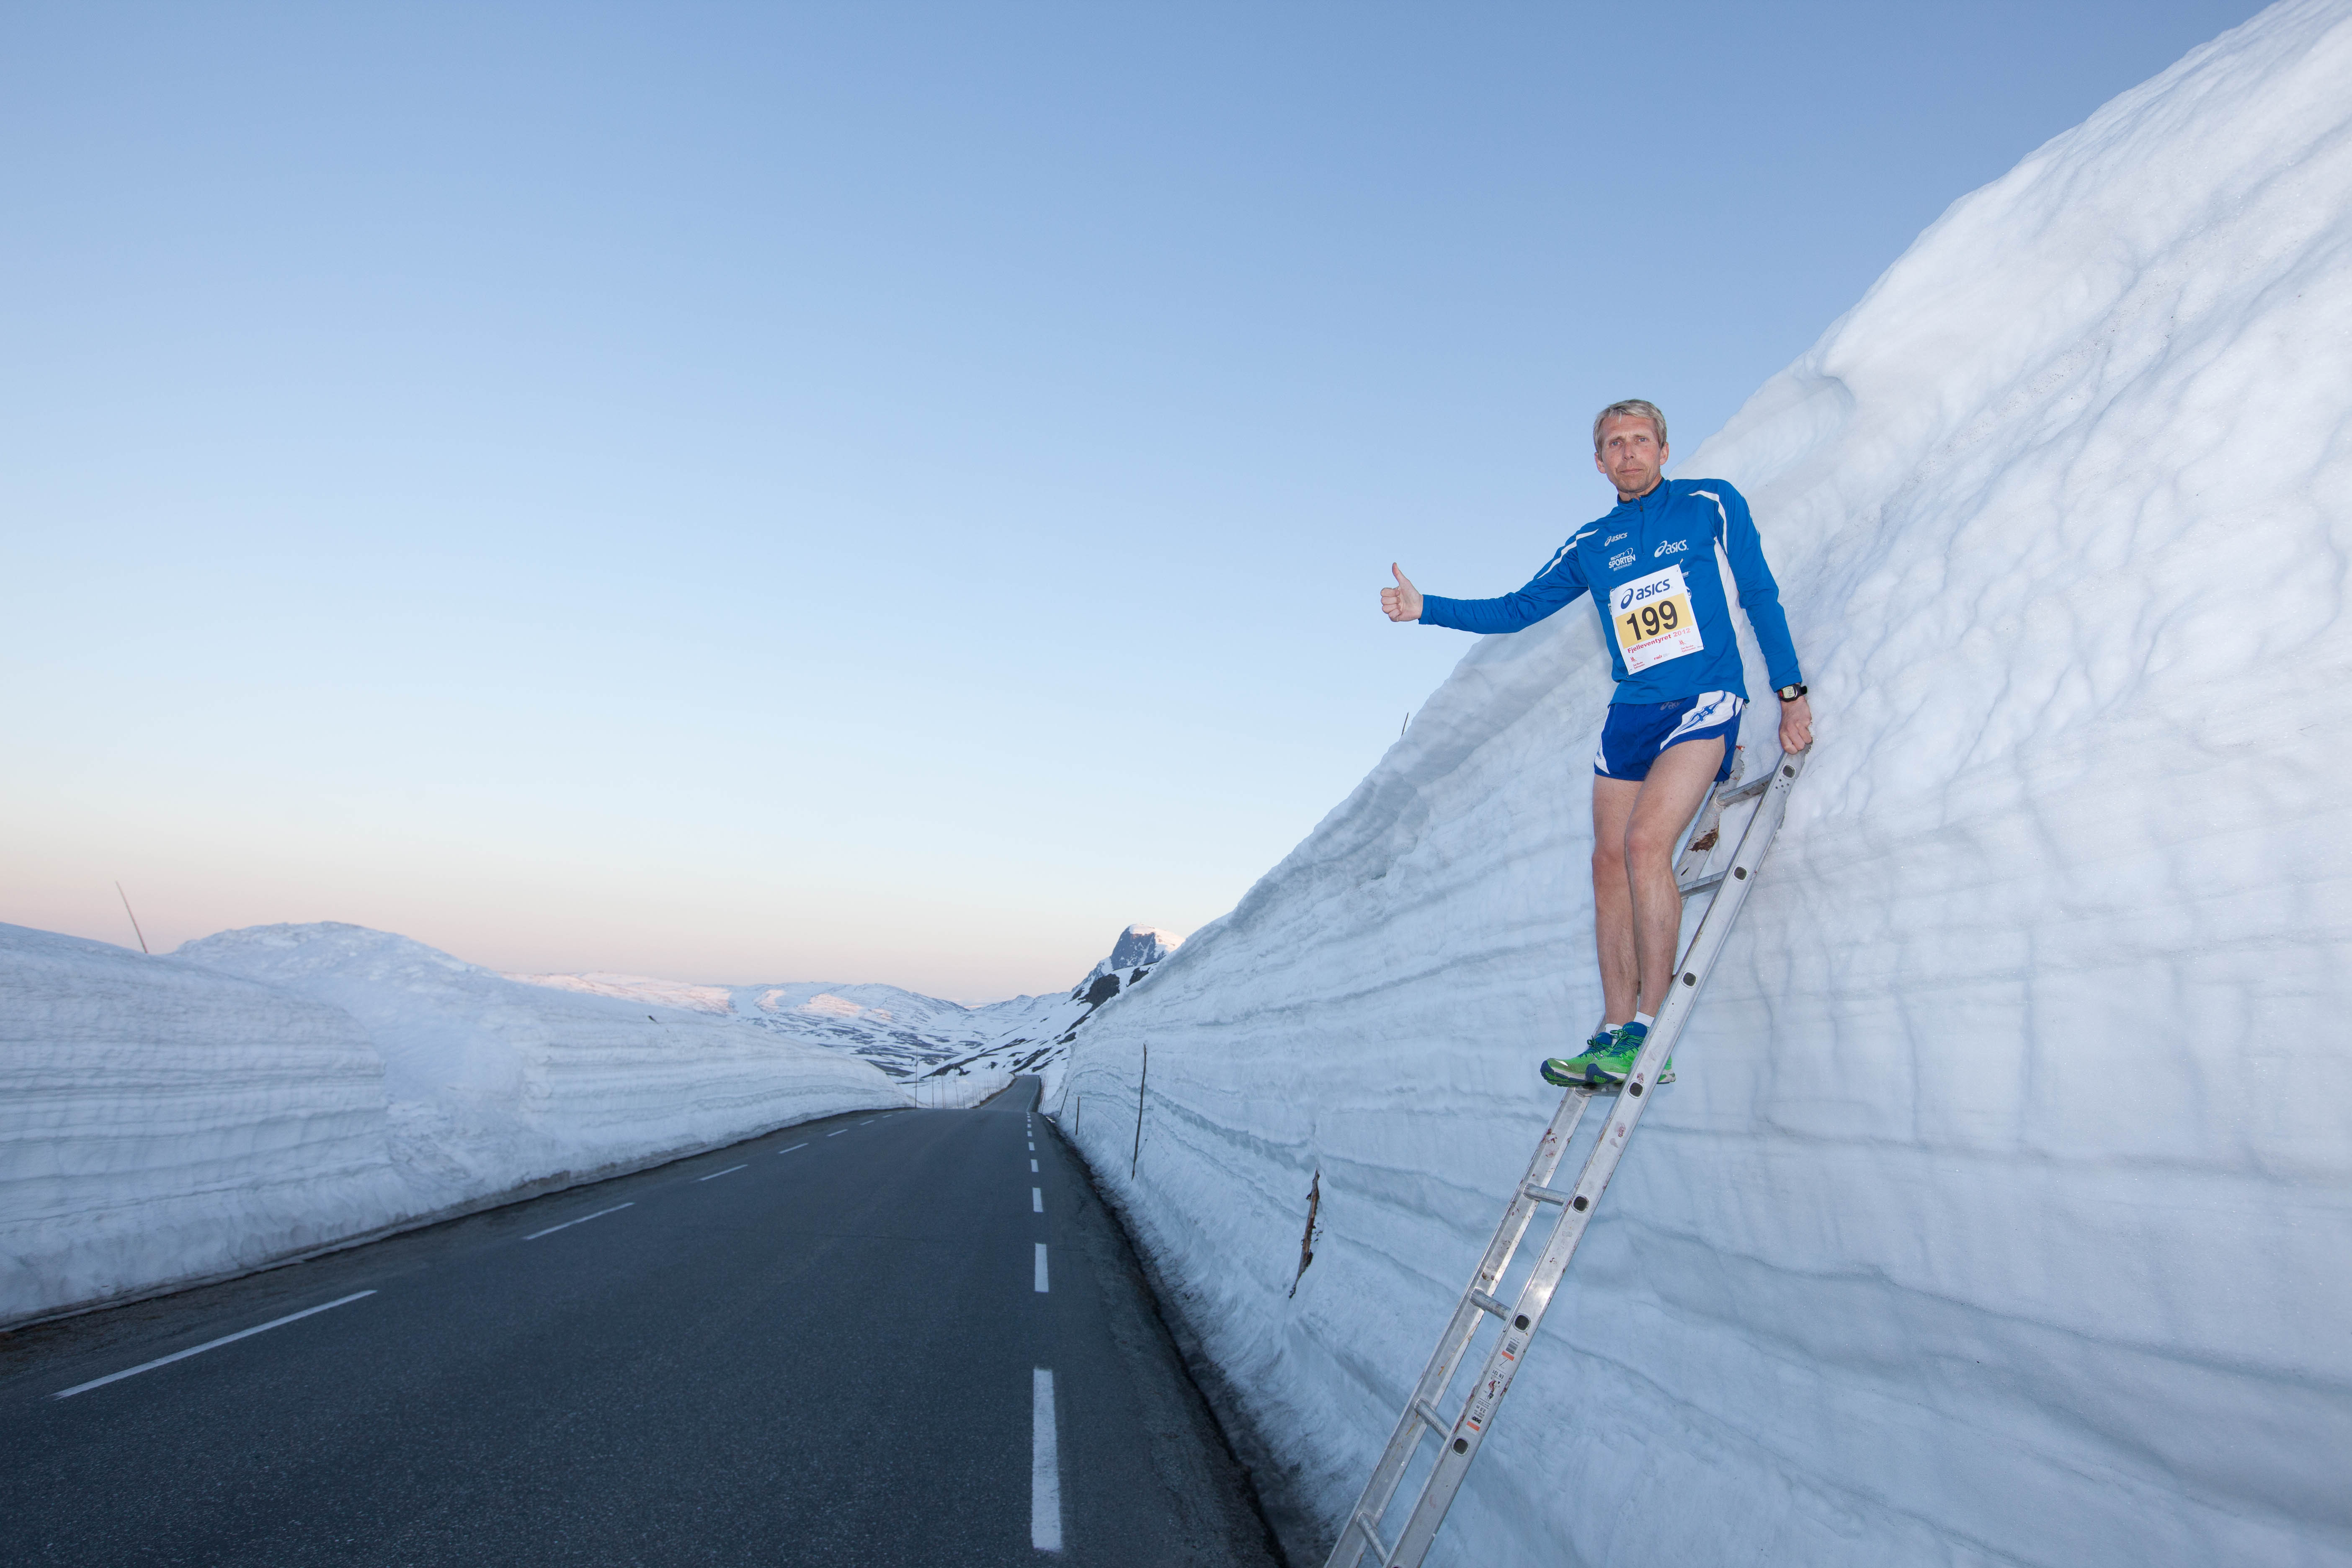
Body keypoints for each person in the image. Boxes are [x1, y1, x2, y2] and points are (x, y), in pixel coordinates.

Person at [1380, 399, 1812, 1087]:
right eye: (1614, 444)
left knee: (1646, 845)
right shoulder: (1591, 543)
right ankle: (1612, 1031)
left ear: (1665, 450)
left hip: (1703, 700)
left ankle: (1649, 1032)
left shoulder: (1709, 503)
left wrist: (1791, 693)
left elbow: (1759, 592)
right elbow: (1519, 608)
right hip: (1630, 714)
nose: (1628, 452)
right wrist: (1426, 608)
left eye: (1641, 440)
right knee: (1607, 862)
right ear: (1599, 462)